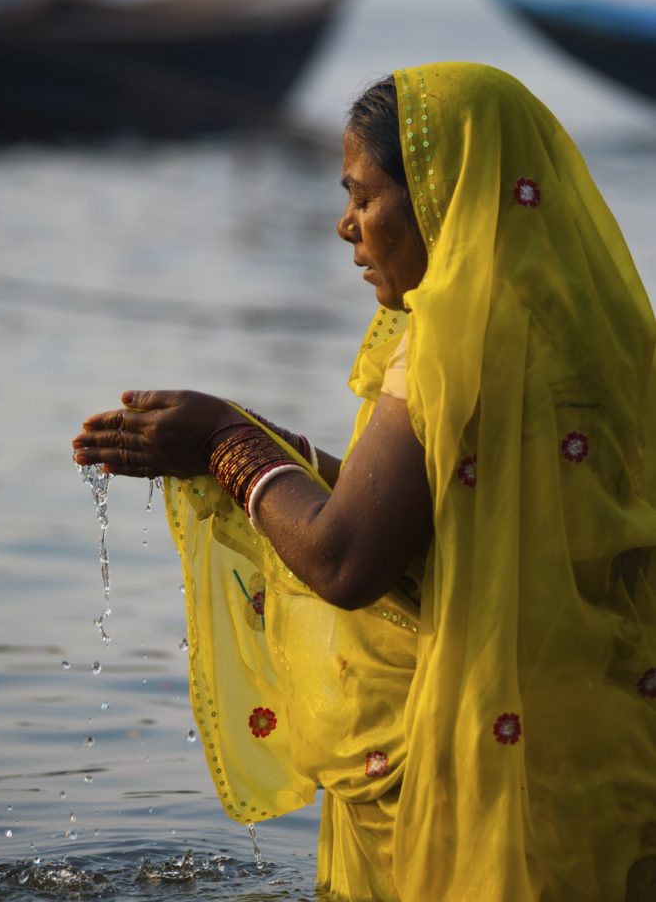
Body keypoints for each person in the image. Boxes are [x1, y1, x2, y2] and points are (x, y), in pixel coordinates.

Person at [73, 62, 656, 901]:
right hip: (596, 750)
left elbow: (346, 559)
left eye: (362, 196)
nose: (345, 226)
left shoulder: (450, 346)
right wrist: (267, 446)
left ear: (440, 198)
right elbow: (449, 508)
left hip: (488, 774)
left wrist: (228, 443)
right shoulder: (588, 340)